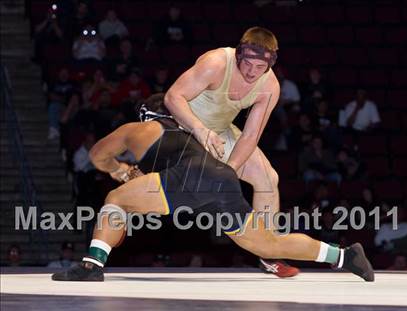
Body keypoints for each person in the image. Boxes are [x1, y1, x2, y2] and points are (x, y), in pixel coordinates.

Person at [51, 94, 374, 282]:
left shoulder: (139, 128)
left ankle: (92, 265)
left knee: (115, 201)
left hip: (189, 180)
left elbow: (97, 156)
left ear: (148, 113)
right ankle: (344, 256)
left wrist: (120, 171)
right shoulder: (188, 131)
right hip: (220, 179)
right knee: (266, 244)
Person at [164, 26, 300, 275]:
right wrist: (198, 129)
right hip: (182, 126)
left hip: (219, 132)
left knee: (268, 178)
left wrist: (228, 172)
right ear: (239, 55)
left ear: (270, 65)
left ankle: (268, 254)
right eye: (248, 64)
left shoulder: (270, 86)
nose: (252, 72)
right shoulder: (215, 63)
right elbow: (173, 97)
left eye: (260, 68)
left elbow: (250, 135)